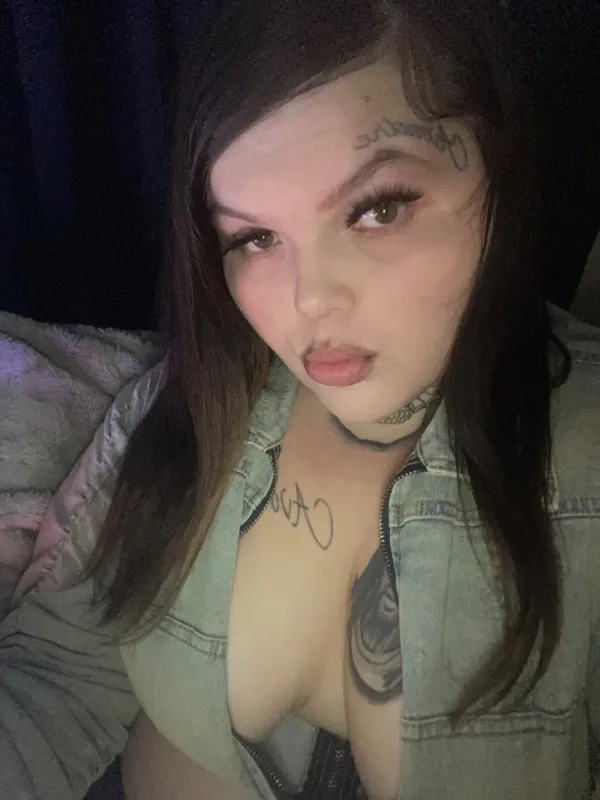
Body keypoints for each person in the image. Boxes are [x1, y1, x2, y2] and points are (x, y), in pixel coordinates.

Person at [1, 0, 599, 798]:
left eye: (378, 208)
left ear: (498, 167)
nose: (309, 299)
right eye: (254, 238)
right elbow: (61, 674)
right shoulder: (188, 406)